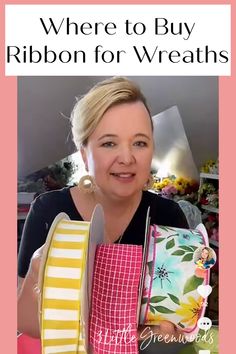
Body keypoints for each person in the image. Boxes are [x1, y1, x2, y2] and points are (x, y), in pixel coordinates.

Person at [17, 77, 188, 343]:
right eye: (109, 143)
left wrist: (168, 330)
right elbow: (24, 322)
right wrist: (38, 272)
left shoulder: (168, 218)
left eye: (140, 143)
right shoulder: (48, 212)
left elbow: (177, 327)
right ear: (84, 154)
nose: (127, 158)